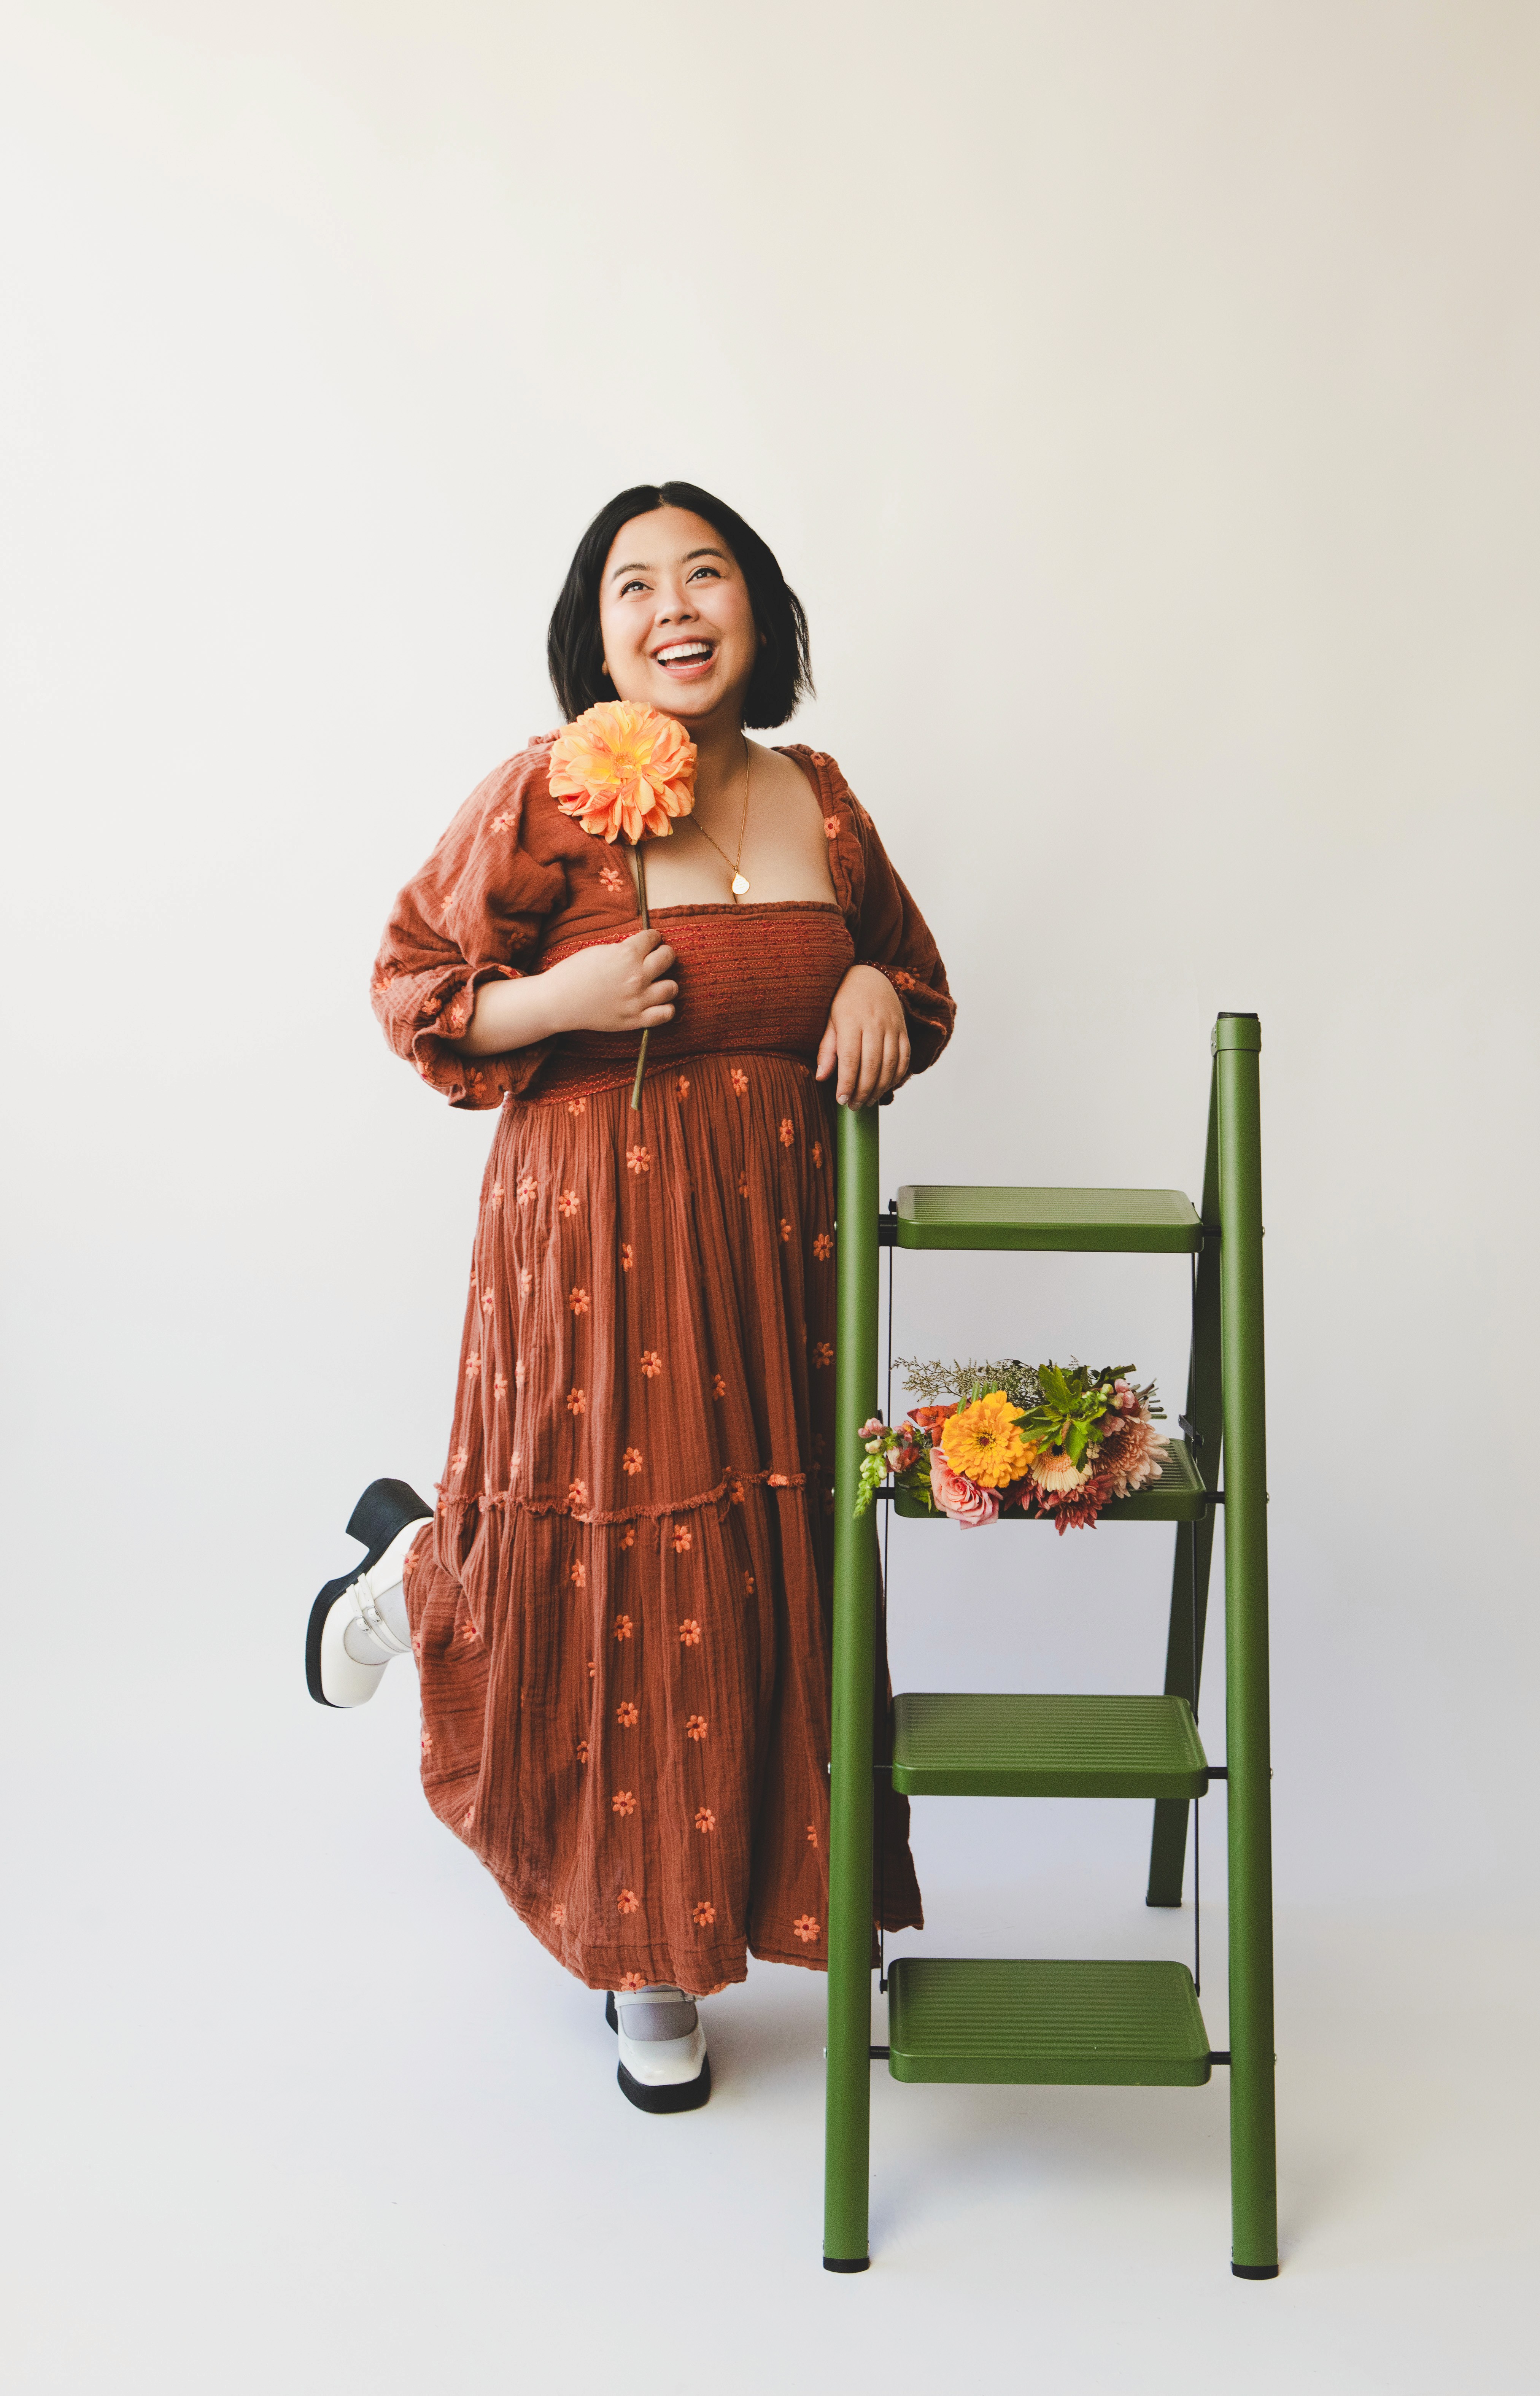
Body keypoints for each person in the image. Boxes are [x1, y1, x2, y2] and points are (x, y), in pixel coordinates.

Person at [305, 482, 955, 2111]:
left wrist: (872, 979)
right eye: (631, 585)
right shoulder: (550, 790)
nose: (672, 607)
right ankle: (641, 1960)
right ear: (592, 633)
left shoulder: (826, 801)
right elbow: (409, 980)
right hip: (590, 1241)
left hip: (777, 1259)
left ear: (762, 610)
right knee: (606, 1554)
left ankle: (413, 1566)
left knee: (745, 1568)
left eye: (707, 573)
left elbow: (918, 987)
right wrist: (556, 1000)